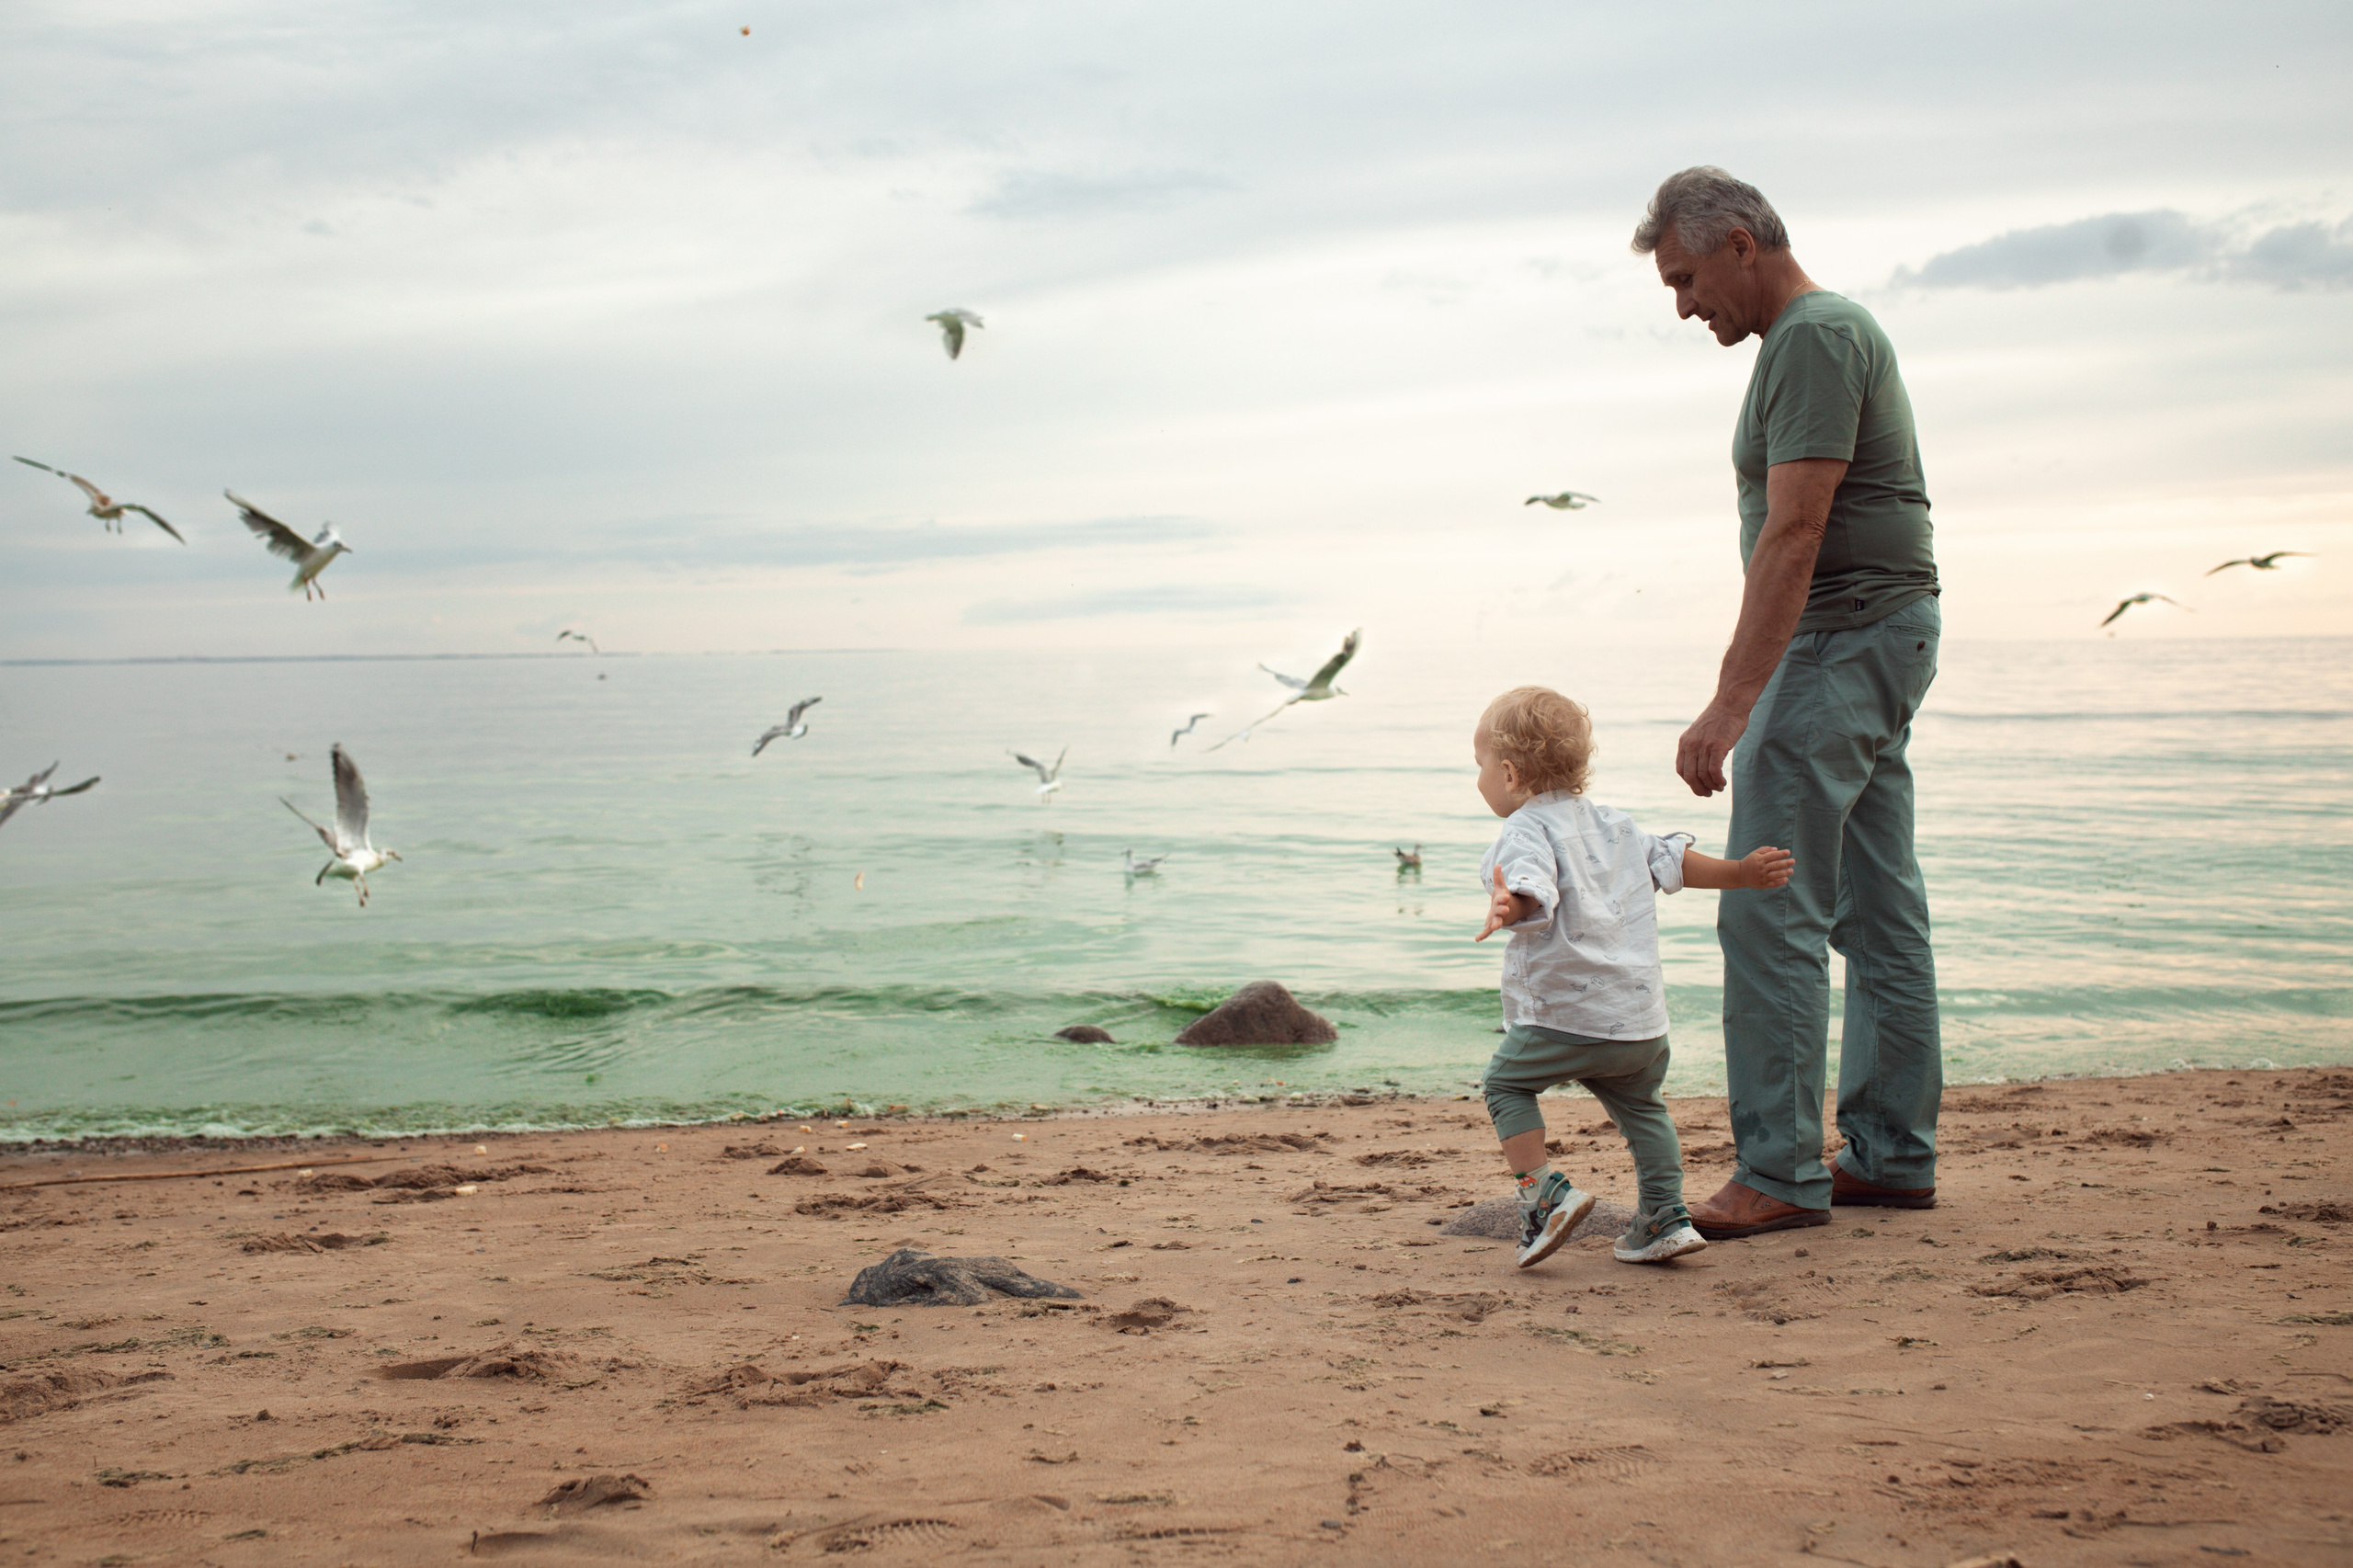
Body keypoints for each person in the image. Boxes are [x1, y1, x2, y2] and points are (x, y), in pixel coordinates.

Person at [1631, 166, 1945, 1240]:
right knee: (1877, 908)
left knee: (1768, 904)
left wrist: (1730, 702)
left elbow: (1796, 527)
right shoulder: (1814, 337)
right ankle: (1891, 1157)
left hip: (1839, 640)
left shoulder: (1814, 336)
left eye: (1685, 280)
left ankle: (1778, 1170)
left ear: (1740, 245)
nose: (1684, 306)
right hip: (1879, 634)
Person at [1471, 686, 1793, 1268]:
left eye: (1481, 767)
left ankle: (1545, 1196)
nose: (1480, 779)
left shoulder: (1524, 829)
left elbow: (1531, 886)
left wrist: (1508, 907)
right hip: (1638, 1022)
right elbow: (1673, 861)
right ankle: (1665, 1219)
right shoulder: (1615, 824)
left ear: (1511, 773)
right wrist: (1741, 874)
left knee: (1505, 1086)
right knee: (1644, 1111)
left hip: (1564, 1017)